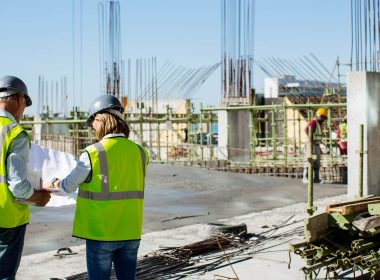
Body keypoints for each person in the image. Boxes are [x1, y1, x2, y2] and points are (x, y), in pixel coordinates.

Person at [44, 95, 148, 280]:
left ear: (100, 119)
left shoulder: (93, 153)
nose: (92, 128)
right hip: (131, 230)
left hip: (101, 233)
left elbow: (68, 186)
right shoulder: (140, 152)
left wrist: (54, 183)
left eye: (93, 123)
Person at [0, 76, 51, 279]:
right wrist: (38, 196)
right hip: (7, 219)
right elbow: (18, 185)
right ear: (19, 99)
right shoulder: (14, 132)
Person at [302, 108, 328, 184]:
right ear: (319, 116)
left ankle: (316, 178)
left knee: (316, 162)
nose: (323, 119)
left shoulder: (319, 124)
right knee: (309, 160)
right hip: (310, 145)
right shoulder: (314, 122)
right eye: (323, 117)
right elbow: (306, 129)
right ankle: (305, 177)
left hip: (316, 145)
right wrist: (311, 139)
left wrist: (319, 146)